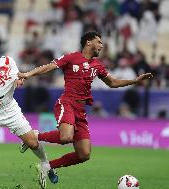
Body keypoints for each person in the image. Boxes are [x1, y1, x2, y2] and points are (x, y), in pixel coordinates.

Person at [18, 31, 153, 177]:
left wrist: (135, 80)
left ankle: (47, 166)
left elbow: (113, 82)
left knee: (84, 154)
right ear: (89, 42)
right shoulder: (71, 57)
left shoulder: (97, 65)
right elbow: (49, 67)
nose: (101, 45)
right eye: (99, 42)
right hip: (67, 103)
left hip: (80, 111)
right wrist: (28, 74)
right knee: (66, 138)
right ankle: (35, 136)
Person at [0, 55, 58, 189]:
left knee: (33, 143)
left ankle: (47, 165)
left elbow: (9, 59)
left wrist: (16, 76)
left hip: (10, 109)